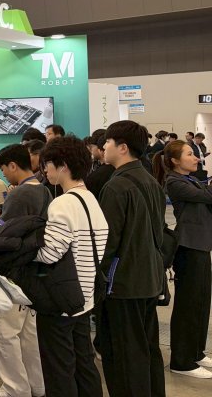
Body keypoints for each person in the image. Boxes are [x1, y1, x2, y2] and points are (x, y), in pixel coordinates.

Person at [96, 121, 166, 397]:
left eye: (107, 142)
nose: (103, 147)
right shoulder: (150, 180)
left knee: (125, 356)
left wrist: (97, 276)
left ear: (122, 147)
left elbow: (108, 242)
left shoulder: (117, 186)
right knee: (148, 348)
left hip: (123, 283)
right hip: (149, 277)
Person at [33, 136, 107, 397]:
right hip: (85, 297)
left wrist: (26, 250)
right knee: (84, 364)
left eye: (48, 164)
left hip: (61, 300)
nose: (45, 170)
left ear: (63, 165)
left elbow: (50, 253)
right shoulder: (90, 198)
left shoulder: (63, 202)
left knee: (59, 370)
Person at [0, 144, 51, 397]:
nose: (4, 174)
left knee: (6, 333)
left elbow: (5, 237)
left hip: (12, 272)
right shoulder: (44, 189)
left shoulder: (19, 194)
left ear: (13, 165)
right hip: (33, 270)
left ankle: (15, 387)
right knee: (28, 334)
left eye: (4, 168)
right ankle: (36, 384)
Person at [153, 140, 212, 379]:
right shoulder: (174, 182)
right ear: (175, 160)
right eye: (190, 154)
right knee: (188, 304)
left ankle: (196, 351)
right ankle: (182, 360)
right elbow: (208, 196)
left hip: (201, 245)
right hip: (188, 247)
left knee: (201, 302)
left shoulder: (192, 180)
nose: (196, 158)